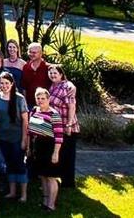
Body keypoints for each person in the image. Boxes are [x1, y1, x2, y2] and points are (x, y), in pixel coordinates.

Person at [0, 70, 29, 204]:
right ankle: (12, 191)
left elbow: (25, 120)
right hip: (2, 137)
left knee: (19, 165)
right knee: (9, 165)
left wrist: (24, 139)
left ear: (12, 84)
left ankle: (23, 193)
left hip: (17, 138)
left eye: (7, 83)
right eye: (1, 83)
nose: (4, 86)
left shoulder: (19, 98)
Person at [27, 87, 64, 212]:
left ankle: (51, 204)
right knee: (42, 176)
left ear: (48, 99)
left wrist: (56, 153)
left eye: (43, 98)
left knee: (51, 177)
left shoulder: (54, 114)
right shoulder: (33, 110)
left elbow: (59, 136)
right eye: (38, 98)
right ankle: (45, 201)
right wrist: (29, 148)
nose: (40, 100)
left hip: (50, 147)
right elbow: (29, 131)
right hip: (37, 146)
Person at [46, 62, 79, 190]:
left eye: (55, 73)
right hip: (56, 126)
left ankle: (69, 183)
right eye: (51, 73)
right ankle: (60, 179)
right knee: (59, 153)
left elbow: (72, 106)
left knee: (68, 155)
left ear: (61, 74)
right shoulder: (53, 86)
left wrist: (69, 124)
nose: (53, 75)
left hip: (67, 126)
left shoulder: (67, 86)